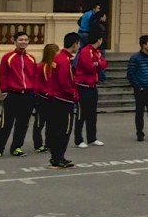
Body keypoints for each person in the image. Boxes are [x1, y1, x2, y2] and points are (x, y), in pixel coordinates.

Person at [0, 31, 39, 160]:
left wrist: (34, 92)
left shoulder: (31, 58)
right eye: (21, 40)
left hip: (28, 95)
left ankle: (16, 147)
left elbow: (35, 76)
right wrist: (4, 91)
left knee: (22, 124)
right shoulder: (8, 57)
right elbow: (3, 75)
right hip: (13, 94)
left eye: (26, 40)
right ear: (15, 42)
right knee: (6, 123)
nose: (24, 42)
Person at [45, 33, 80, 170]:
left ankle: (56, 156)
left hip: (55, 98)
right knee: (64, 130)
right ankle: (59, 157)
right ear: (75, 44)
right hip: (64, 100)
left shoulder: (58, 57)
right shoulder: (65, 60)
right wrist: (74, 94)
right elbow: (65, 81)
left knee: (56, 129)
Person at [74, 35, 108, 147]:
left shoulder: (97, 52)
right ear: (99, 39)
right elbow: (89, 67)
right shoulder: (85, 51)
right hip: (82, 86)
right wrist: (97, 63)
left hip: (92, 86)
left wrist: (97, 63)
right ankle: (78, 139)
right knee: (81, 114)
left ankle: (92, 138)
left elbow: (104, 64)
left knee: (92, 114)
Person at [32, 42, 58, 154]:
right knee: (39, 123)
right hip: (42, 99)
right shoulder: (40, 67)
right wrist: (44, 92)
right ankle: (38, 144)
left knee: (52, 123)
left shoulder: (55, 66)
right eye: (56, 52)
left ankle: (49, 143)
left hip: (53, 99)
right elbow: (36, 83)